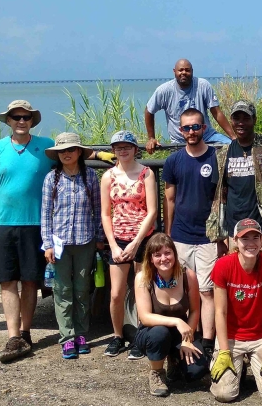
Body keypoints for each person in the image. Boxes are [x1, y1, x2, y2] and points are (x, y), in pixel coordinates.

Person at [206, 99, 262, 362]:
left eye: (245, 118)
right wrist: (221, 235)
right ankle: (239, 348)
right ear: (230, 121)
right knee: (238, 292)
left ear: (254, 120)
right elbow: (220, 194)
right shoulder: (223, 152)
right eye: (236, 119)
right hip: (234, 234)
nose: (241, 123)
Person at [0, 100, 54, 362]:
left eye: (26, 117)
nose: (21, 121)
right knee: (6, 281)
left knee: (30, 281)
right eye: (16, 117)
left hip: (36, 225)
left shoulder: (45, 145)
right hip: (4, 224)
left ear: (32, 120)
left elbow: (73, 154)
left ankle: (26, 332)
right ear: (9, 121)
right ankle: (13, 335)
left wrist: (103, 155)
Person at [162, 107, 225, 361]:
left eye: (195, 127)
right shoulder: (173, 161)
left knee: (207, 290)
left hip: (209, 236)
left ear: (204, 128)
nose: (191, 131)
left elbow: (223, 199)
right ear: (180, 130)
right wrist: (168, 235)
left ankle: (207, 342)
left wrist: (223, 236)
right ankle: (185, 338)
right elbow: (169, 199)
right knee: (181, 290)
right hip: (180, 235)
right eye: (186, 127)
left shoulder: (216, 158)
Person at [209, 219, 262, 403]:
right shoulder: (223, 265)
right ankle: (236, 367)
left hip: (259, 338)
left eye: (255, 237)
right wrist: (224, 351)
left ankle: (257, 363)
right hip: (231, 337)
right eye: (245, 238)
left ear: (261, 240)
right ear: (236, 241)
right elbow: (219, 312)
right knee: (225, 395)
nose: (251, 243)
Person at [41, 133, 104, 359]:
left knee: (82, 289)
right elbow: (46, 214)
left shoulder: (90, 177)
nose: (66, 154)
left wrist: (99, 237)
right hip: (59, 244)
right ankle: (66, 337)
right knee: (62, 290)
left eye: (71, 149)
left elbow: (98, 209)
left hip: (85, 241)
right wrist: (47, 244)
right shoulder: (52, 179)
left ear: (79, 152)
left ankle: (81, 334)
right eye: (62, 151)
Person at [101, 130, 157, 358]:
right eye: (118, 147)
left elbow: (152, 211)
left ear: (135, 149)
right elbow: (106, 214)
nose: (122, 151)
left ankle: (141, 336)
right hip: (118, 237)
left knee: (142, 289)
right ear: (113, 151)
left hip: (142, 238)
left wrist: (136, 242)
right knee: (116, 292)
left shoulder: (147, 173)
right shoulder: (108, 176)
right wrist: (113, 245)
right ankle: (117, 335)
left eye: (127, 146)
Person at [134, 233, 208, 397]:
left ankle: (174, 361)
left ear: (174, 254)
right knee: (160, 333)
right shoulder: (143, 277)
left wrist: (187, 340)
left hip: (179, 332)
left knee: (197, 370)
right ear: (151, 258)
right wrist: (176, 321)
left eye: (167, 253)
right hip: (151, 332)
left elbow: (195, 310)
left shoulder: (187, 275)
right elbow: (145, 317)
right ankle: (157, 372)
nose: (163, 258)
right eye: (157, 255)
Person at [145, 59, 235, 153]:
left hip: (207, 136)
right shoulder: (164, 90)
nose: (184, 73)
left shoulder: (203, 85)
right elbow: (149, 111)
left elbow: (216, 112)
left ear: (192, 71)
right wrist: (151, 138)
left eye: (187, 70)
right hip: (180, 141)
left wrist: (233, 137)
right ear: (174, 71)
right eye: (180, 70)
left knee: (232, 147)